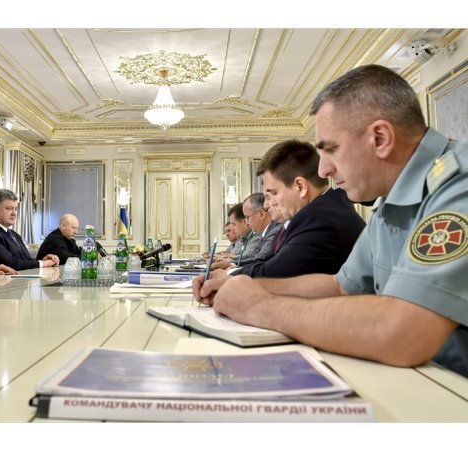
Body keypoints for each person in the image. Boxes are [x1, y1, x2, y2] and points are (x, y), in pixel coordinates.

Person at [194, 64, 468, 377]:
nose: (323, 170)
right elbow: (340, 286)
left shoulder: (459, 186)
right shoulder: (389, 201)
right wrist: (240, 286)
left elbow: (406, 332)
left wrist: (258, 306)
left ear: (380, 138)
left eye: (331, 149)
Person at [230, 140, 365, 278]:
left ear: (300, 187)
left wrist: (227, 278)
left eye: (274, 193)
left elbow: (272, 273)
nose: (266, 206)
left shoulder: (318, 220)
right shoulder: (330, 205)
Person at [0, 189, 60, 271]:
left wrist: (43, 260)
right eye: (9, 208)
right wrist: (43, 263)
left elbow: (25, 261)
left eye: (15, 209)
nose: (14, 213)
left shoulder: (14, 234)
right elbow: (11, 265)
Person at [211, 193, 283, 270]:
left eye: (247, 217)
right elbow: (252, 255)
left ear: (261, 214)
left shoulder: (274, 231)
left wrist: (230, 264)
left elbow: (260, 260)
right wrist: (228, 261)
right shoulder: (265, 233)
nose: (247, 223)